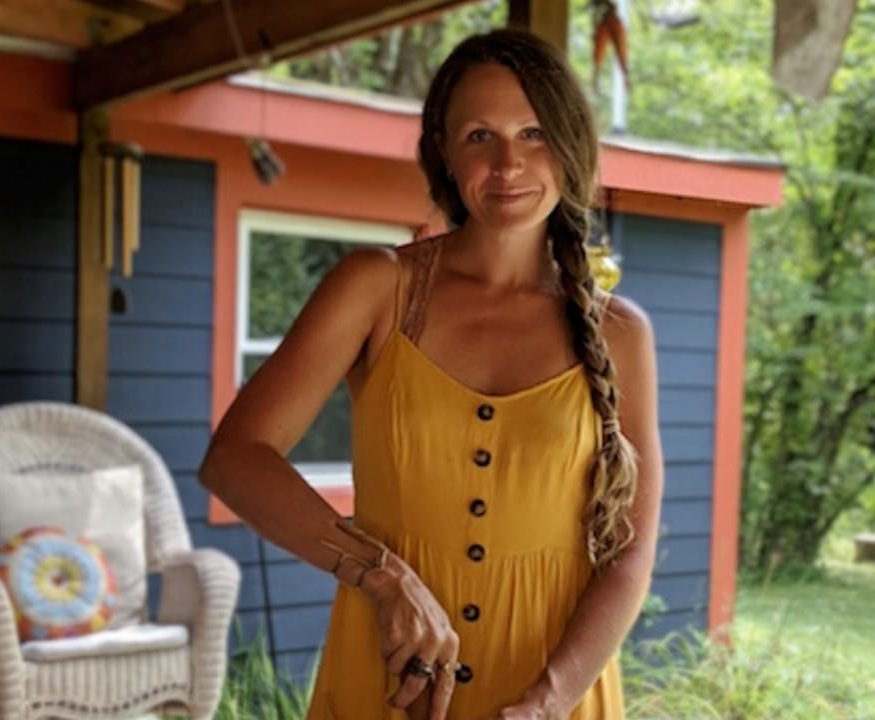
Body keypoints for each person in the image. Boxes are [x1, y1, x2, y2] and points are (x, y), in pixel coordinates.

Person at [199, 28, 663, 720]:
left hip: (555, 691)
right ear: (443, 151)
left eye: (534, 133)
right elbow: (235, 459)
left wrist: (548, 702)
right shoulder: (375, 289)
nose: (507, 163)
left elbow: (629, 554)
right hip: (386, 678)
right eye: (480, 136)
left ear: (571, 146)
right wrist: (381, 577)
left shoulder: (621, 333)